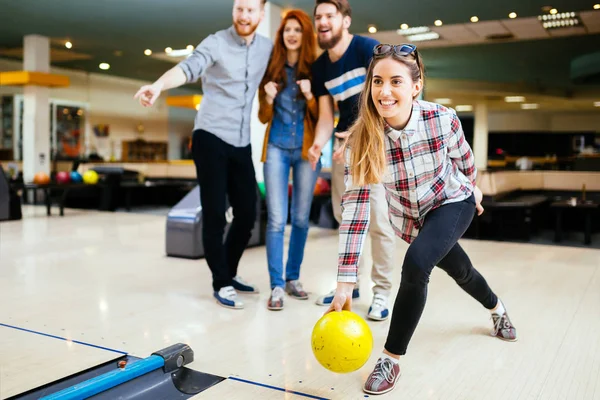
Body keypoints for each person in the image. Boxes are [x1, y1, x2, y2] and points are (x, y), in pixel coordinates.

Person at [326, 43, 517, 395]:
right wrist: (344, 281)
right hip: (412, 220)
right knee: (461, 270)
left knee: (416, 265)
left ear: (416, 86)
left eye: (396, 81)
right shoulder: (362, 140)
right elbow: (354, 212)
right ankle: (497, 307)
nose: (385, 91)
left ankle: (390, 358)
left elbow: (466, 161)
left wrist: (472, 189)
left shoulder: (441, 119)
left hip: (452, 201)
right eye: (378, 81)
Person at [134, 0, 273, 310]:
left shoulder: (267, 48)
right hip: (210, 135)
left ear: (261, 13)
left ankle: (229, 272)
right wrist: (159, 85)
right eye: (239, 8)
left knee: (248, 213)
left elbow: (279, 74)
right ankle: (221, 282)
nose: (243, 15)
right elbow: (188, 68)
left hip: (241, 140)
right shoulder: (216, 42)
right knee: (213, 213)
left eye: (250, 10)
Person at [307, 0, 395, 321]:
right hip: (344, 148)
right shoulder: (320, 68)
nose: (323, 21)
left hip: (374, 144)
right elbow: (326, 115)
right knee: (346, 221)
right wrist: (319, 144)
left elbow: (385, 100)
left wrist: (357, 135)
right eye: (318, 17)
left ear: (345, 21)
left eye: (330, 16)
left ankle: (382, 292)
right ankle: (350, 284)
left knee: (378, 221)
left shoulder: (368, 50)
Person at [257, 9, 320, 310]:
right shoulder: (272, 69)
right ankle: (277, 285)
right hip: (277, 150)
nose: (291, 34)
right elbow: (262, 116)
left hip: (307, 151)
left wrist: (310, 95)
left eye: (297, 29)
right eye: (287, 30)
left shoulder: (317, 70)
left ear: (305, 35)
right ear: (282, 36)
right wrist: (268, 98)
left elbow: (324, 117)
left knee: (301, 218)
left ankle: (293, 277)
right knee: (277, 219)